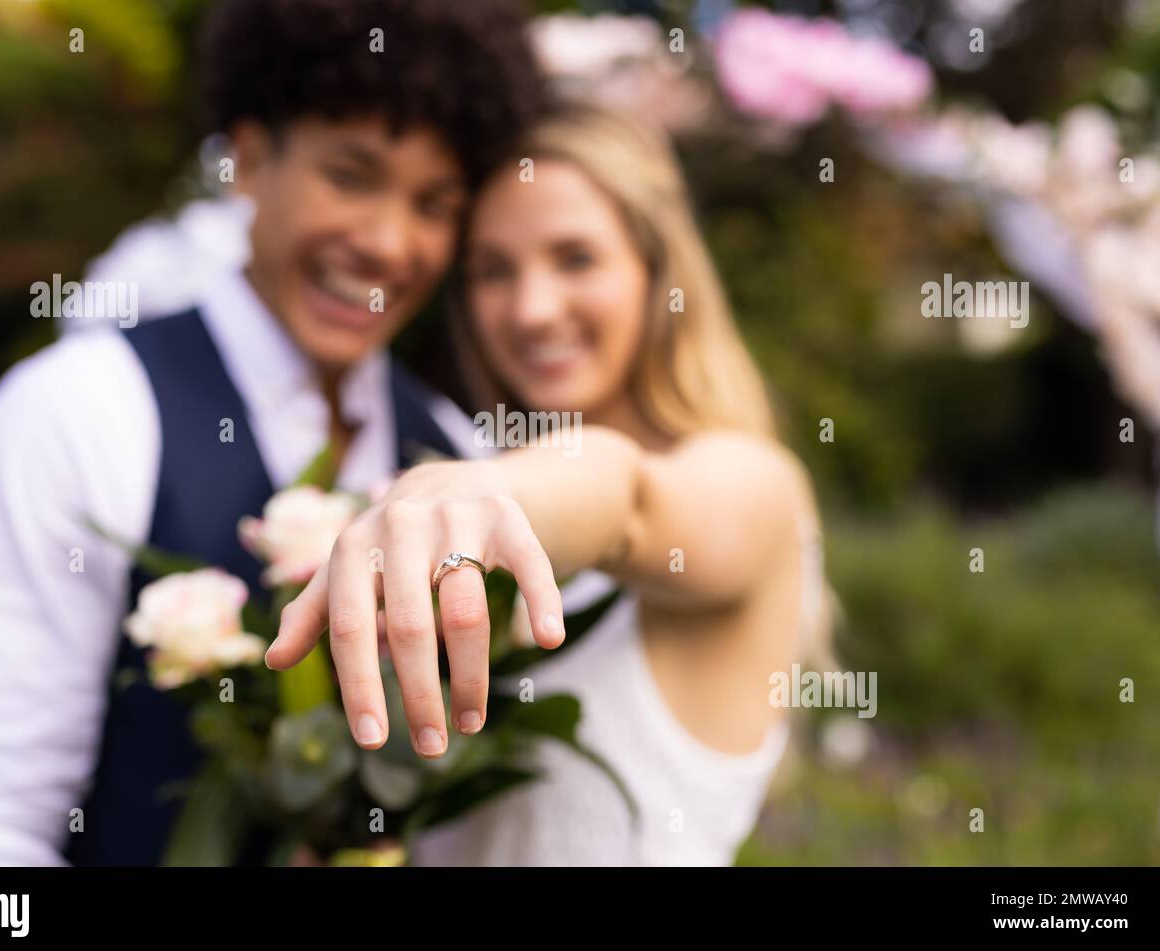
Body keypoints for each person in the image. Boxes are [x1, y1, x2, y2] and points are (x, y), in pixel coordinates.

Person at [0, 0, 545, 866]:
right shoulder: (71, 417)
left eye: (434, 203)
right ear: (250, 157)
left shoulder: (454, 449)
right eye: (350, 176)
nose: (390, 242)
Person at [267, 103, 828, 865]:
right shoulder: (479, 474)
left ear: (658, 273)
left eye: (575, 259)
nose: (531, 309)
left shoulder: (747, 482)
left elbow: (623, 494)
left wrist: (476, 494)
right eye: (494, 270)